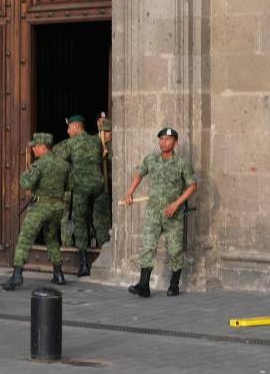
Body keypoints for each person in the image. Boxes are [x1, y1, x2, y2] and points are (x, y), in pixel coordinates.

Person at [120, 127, 197, 297]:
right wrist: (130, 193)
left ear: (175, 143)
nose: (164, 142)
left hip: (173, 214)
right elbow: (139, 174)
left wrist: (176, 204)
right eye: (161, 139)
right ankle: (143, 285)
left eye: (168, 139)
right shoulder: (151, 159)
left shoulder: (181, 163)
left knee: (175, 250)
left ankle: (174, 285)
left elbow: (192, 186)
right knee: (147, 247)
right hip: (153, 213)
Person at [3, 132, 71, 291]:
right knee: (52, 238)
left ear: (43, 147)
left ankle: (17, 274)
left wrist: (26, 171)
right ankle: (58, 274)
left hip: (40, 207)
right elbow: (70, 186)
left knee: (25, 238)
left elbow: (26, 183)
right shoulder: (64, 165)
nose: (33, 149)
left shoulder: (38, 165)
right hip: (57, 207)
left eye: (35, 146)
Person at [53, 115, 103, 277]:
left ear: (76, 126)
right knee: (98, 220)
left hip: (81, 188)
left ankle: (84, 265)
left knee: (80, 222)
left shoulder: (71, 143)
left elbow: (55, 154)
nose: (68, 132)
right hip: (98, 187)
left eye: (69, 128)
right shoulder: (96, 141)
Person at [92, 117, 113, 247]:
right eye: (104, 132)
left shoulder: (114, 145)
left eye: (108, 131)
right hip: (98, 191)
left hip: (111, 189)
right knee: (100, 223)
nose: (107, 135)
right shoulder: (94, 145)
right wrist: (101, 155)